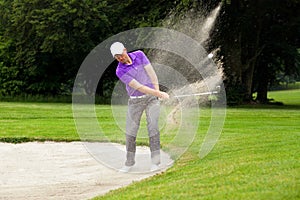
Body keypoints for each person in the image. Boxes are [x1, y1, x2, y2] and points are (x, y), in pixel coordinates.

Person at [110, 42, 169, 173]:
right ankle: (129, 163)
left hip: (151, 99)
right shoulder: (120, 70)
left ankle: (155, 162)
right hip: (135, 101)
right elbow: (139, 87)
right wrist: (159, 94)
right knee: (130, 132)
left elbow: (152, 74)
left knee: (153, 127)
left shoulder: (139, 55)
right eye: (116, 57)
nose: (120, 58)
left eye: (120, 54)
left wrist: (157, 94)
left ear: (125, 50)